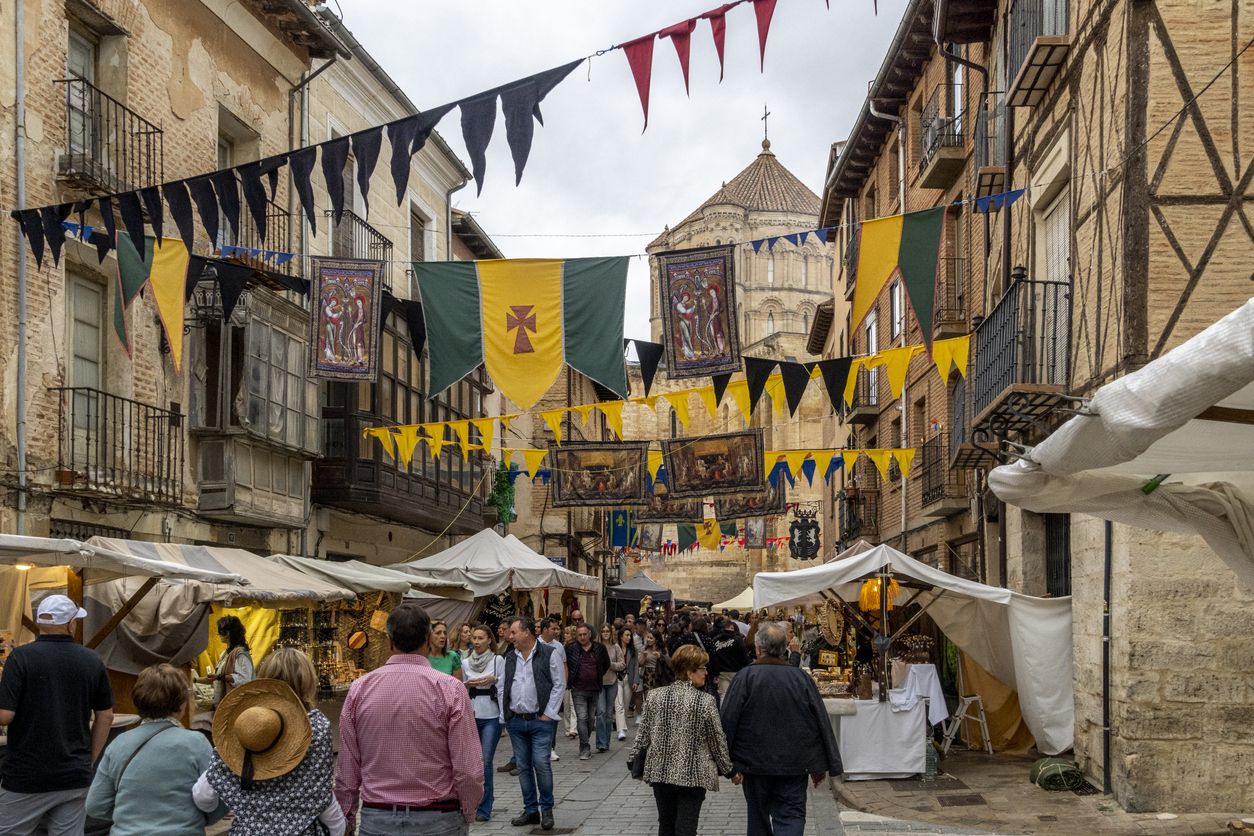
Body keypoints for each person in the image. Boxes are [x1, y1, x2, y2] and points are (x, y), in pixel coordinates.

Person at [336, 603, 483, 834]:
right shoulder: (450, 689)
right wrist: (468, 809)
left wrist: (347, 816)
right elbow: (467, 767)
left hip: (379, 817)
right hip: (439, 817)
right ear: (427, 639)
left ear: (389, 641)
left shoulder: (360, 689)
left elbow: (348, 767)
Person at [194, 649, 344, 835]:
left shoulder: (245, 725)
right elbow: (323, 797)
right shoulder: (317, 728)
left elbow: (203, 796)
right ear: (307, 682)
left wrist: (236, 802)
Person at [0, 594, 113, 836]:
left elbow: (4, 716)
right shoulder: (92, 660)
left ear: (40, 623)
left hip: (26, 775)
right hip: (74, 775)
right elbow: (106, 716)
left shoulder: (20, 658)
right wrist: (89, 759)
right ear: (71, 623)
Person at [720, 623, 843, 836]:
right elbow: (820, 721)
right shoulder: (800, 679)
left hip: (754, 764)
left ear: (758, 649)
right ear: (785, 647)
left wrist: (727, 764)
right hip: (794, 764)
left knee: (758, 817)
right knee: (791, 816)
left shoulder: (746, 677)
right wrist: (822, 764)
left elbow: (728, 721)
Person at [87, 664, 225, 835]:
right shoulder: (196, 743)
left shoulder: (118, 744)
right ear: (181, 702)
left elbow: (95, 805)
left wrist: (130, 817)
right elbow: (218, 801)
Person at [630, 644, 734, 836]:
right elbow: (717, 740)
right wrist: (730, 770)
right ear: (689, 672)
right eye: (702, 668)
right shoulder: (705, 701)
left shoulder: (654, 696)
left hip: (661, 772)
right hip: (692, 775)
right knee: (686, 828)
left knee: (666, 825)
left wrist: (633, 759)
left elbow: (643, 735)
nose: (706, 672)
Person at [497, 616, 565, 831]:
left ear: (526, 632)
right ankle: (530, 810)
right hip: (516, 720)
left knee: (541, 764)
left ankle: (546, 809)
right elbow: (502, 686)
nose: (510, 636)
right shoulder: (509, 657)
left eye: (514, 632)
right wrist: (504, 715)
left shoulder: (549, 653)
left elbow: (559, 684)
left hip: (539, 720)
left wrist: (549, 713)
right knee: (524, 766)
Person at [462, 625, 504, 823]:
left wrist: (494, 679)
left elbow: (504, 687)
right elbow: (461, 690)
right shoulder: (465, 663)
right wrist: (468, 685)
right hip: (472, 714)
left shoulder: (498, 660)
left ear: (489, 640)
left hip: (492, 715)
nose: (476, 642)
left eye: (480, 638)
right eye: (474, 638)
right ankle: (475, 800)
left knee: (485, 762)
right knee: (472, 763)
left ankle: (484, 808)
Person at [565, 624, 609, 760]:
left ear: (589, 634)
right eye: (580, 635)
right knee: (582, 717)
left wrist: (597, 675)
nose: (582, 637)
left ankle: (585, 739)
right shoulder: (570, 649)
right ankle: (584, 747)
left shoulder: (599, 648)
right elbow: (567, 665)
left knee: (590, 719)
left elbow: (606, 664)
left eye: (585, 634)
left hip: (594, 688)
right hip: (578, 688)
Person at [197, 615, 254, 711]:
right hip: (225, 704)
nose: (218, 635)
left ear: (227, 633)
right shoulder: (225, 653)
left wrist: (219, 677)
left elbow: (244, 679)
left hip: (236, 707)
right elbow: (218, 677)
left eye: (219, 632)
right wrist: (195, 680)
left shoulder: (241, 654)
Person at [708, 617, 753, 702]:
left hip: (722, 672)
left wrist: (714, 673)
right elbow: (744, 656)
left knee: (723, 695)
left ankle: (724, 714)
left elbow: (713, 658)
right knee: (737, 695)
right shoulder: (737, 639)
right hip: (737, 671)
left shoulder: (715, 640)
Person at [538, 617, 564, 763]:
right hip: (541, 687)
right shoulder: (536, 645)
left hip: (554, 686)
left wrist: (563, 684)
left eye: (557, 628)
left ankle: (551, 747)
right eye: (553, 628)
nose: (556, 631)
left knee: (552, 716)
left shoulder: (559, 646)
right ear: (545, 629)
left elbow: (563, 666)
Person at [599, 624, 626, 750]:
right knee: (601, 712)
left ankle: (606, 742)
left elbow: (622, 664)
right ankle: (600, 742)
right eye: (603, 631)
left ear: (611, 633)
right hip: (599, 683)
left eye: (607, 631)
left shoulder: (616, 647)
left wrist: (611, 665)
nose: (605, 633)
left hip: (612, 682)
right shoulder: (597, 647)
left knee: (609, 714)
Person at [614, 627, 638, 738]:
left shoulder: (633, 650)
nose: (628, 637)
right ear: (621, 636)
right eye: (626, 635)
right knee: (619, 705)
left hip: (628, 678)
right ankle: (621, 730)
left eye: (630, 635)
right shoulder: (615, 648)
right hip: (616, 678)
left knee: (626, 704)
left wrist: (636, 681)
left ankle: (622, 727)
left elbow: (636, 666)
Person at [561, 625, 579, 739]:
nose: (565, 635)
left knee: (573, 705)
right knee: (566, 705)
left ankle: (573, 728)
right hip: (564, 678)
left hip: (574, 679)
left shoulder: (577, 647)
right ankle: (568, 728)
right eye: (565, 633)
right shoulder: (562, 647)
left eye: (567, 633)